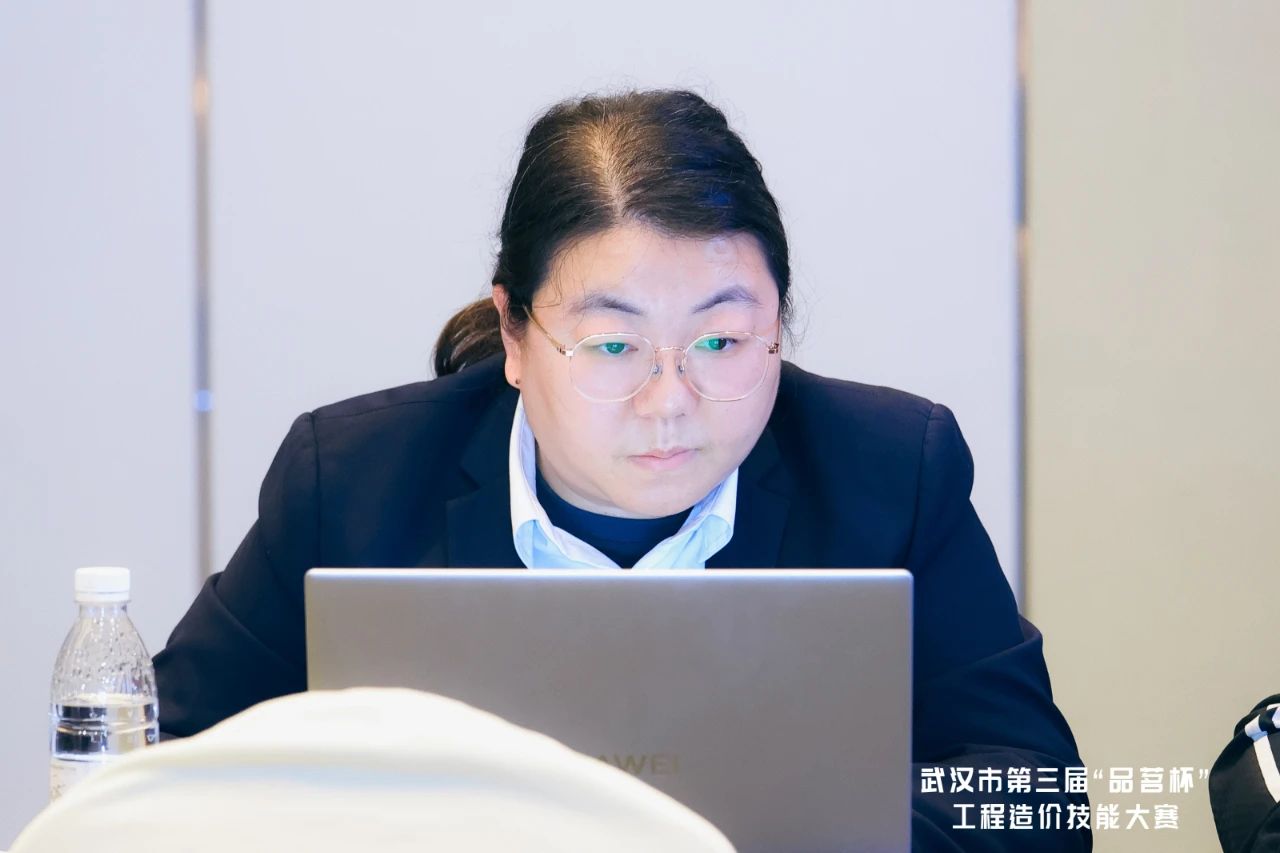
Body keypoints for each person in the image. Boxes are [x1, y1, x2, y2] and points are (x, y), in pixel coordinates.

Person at [154, 89, 1090, 850]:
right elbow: (166, 762)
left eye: (721, 340)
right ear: (514, 332)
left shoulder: (889, 469)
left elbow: (1036, 797)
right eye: (612, 346)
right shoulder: (353, 481)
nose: (669, 399)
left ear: (779, 323)